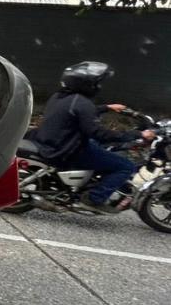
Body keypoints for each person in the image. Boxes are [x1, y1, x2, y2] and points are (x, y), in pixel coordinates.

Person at [32, 61, 154, 214]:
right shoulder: (83, 103)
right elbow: (99, 133)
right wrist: (137, 134)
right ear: (87, 84)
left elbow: (78, 114)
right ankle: (94, 199)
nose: (99, 87)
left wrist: (107, 108)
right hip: (68, 150)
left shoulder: (61, 96)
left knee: (101, 148)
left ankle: (89, 182)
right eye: (97, 83)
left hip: (55, 141)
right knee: (125, 166)